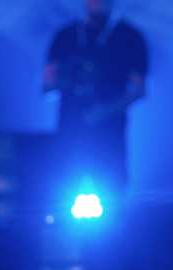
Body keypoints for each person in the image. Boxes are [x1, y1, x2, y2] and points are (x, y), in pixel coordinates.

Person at [43, 0, 148, 195]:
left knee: (111, 191)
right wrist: (70, 78)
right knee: (63, 188)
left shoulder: (130, 38)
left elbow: (138, 90)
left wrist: (105, 110)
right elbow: (47, 85)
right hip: (70, 133)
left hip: (109, 137)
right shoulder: (65, 36)